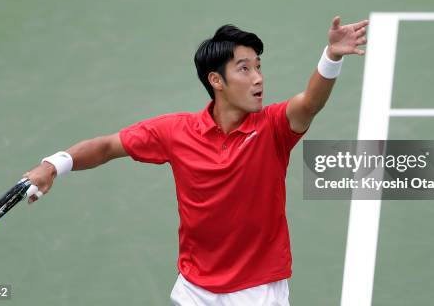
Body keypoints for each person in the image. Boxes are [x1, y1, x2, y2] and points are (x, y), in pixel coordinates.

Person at [23, 16, 368, 305]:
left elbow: (309, 103)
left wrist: (332, 56)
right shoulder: (176, 132)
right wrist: (54, 164)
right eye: (244, 69)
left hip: (258, 290)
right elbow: (108, 146)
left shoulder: (273, 128)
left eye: (259, 67)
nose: (259, 78)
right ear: (216, 80)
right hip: (195, 290)